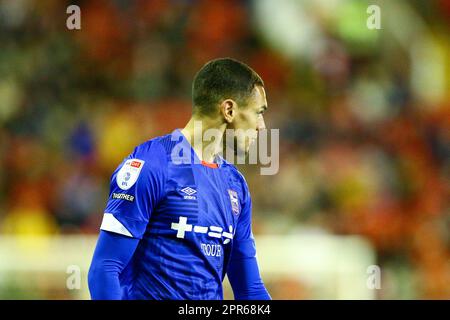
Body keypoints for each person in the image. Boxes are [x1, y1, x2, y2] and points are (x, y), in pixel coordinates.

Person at [88, 58, 271, 300]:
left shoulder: (235, 185)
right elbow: (105, 268)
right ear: (229, 110)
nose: (262, 127)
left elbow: (250, 290)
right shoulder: (150, 166)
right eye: (258, 113)